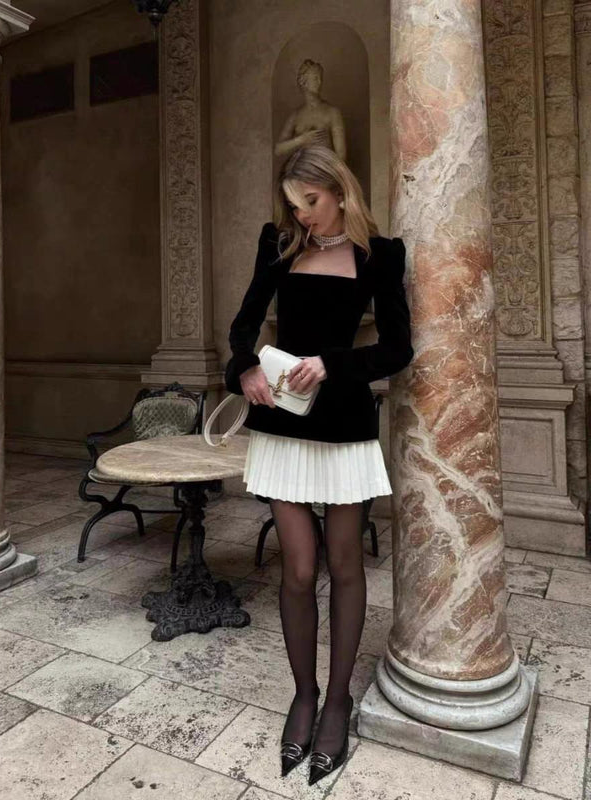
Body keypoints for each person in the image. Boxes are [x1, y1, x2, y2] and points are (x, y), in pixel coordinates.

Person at [224, 144, 414, 786]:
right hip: (282, 426)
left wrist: (335, 362)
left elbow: (397, 348)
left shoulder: (379, 255)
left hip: (346, 427)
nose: (302, 216)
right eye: (294, 204)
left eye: (311, 201)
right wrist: (243, 370)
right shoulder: (278, 245)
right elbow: (242, 330)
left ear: (339, 191)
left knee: (343, 565)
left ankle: (337, 702)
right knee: (298, 571)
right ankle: (303, 696)